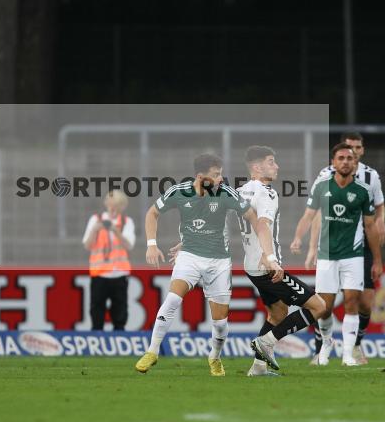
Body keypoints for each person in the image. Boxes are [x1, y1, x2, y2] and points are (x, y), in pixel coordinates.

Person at [135, 153, 276, 376]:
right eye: (216, 175)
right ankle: (152, 351)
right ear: (201, 177)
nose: (221, 178)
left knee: (220, 323)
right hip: (190, 256)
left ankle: (215, 357)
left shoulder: (225, 193)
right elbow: (152, 213)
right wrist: (151, 244)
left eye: (220, 174)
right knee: (172, 299)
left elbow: (252, 217)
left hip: (219, 261)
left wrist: (265, 252)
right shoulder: (179, 192)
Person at [292, 132, 385, 364]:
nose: (346, 161)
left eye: (350, 157)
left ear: (356, 159)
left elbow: (371, 224)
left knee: (354, 301)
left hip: (354, 253)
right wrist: (301, 241)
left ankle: (349, 353)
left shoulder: (366, 185)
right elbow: (309, 216)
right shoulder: (322, 184)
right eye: (341, 158)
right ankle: (325, 344)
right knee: (324, 307)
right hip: (327, 254)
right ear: (333, 162)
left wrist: (377, 259)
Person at [237, 146, 330, 376]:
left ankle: (258, 367)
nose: (276, 166)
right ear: (257, 167)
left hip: (250, 265)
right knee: (319, 306)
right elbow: (263, 225)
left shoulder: (240, 191)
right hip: (266, 266)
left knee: (278, 312)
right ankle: (267, 342)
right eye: (271, 162)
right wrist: (270, 258)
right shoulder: (266, 192)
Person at [82, 189, 135, 330]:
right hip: (99, 273)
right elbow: (87, 245)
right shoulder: (96, 220)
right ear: (106, 203)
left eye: (117, 205)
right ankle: (97, 337)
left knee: (120, 309)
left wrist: (116, 231)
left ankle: (119, 336)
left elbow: (129, 245)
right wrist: (95, 229)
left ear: (122, 207)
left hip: (119, 274)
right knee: (96, 308)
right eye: (111, 204)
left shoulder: (126, 222)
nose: (113, 208)